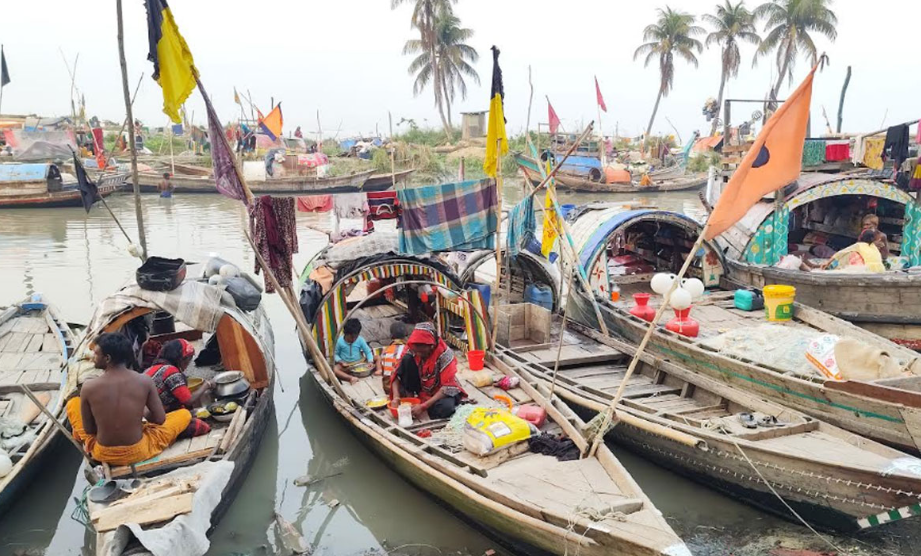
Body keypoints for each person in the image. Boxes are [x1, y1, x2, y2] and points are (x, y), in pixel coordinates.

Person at [66, 333, 192, 466]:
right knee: (184, 414)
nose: (93, 358)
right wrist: (141, 415)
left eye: (96, 354)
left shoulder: (88, 387)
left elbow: (89, 430)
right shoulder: (144, 380)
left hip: (103, 453)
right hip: (138, 452)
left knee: (73, 403)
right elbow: (160, 419)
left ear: (107, 358)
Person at [390, 322, 466, 419]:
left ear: (432, 346)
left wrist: (423, 406)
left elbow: (448, 386)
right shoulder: (411, 348)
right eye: (416, 352)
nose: (418, 355)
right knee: (407, 359)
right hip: (421, 387)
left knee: (446, 408)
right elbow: (396, 372)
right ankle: (411, 398)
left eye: (422, 352)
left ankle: (423, 406)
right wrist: (396, 396)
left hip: (441, 390)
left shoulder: (445, 354)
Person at [145, 339, 214, 437]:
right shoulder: (170, 371)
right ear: (181, 359)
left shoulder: (153, 368)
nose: (188, 364)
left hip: (149, 416)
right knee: (200, 426)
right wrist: (207, 384)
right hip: (152, 419)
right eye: (188, 360)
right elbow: (189, 400)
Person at [821, 229, 886, 273]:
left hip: (869, 269)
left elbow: (840, 253)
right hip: (881, 269)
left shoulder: (859, 245)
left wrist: (827, 263)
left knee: (852, 254)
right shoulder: (873, 246)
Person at [334, 319, 375, 384]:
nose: (353, 339)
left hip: (359, 363)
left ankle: (379, 370)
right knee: (335, 369)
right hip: (347, 365)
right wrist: (341, 362)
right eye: (351, 337)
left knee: (377, 357)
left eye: (355, 337)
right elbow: (335, 355)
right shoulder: (340, 341)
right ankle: (350, 378)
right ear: (345, 333)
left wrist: (370, 361)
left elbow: (368, 351)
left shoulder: (360, 340)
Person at [378, 322, 408, 396]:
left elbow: (384, 372)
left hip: (389, 388)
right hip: (405, 388)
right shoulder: (408, 350)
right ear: (406, 334)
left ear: (391, 336)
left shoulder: (385, 351)